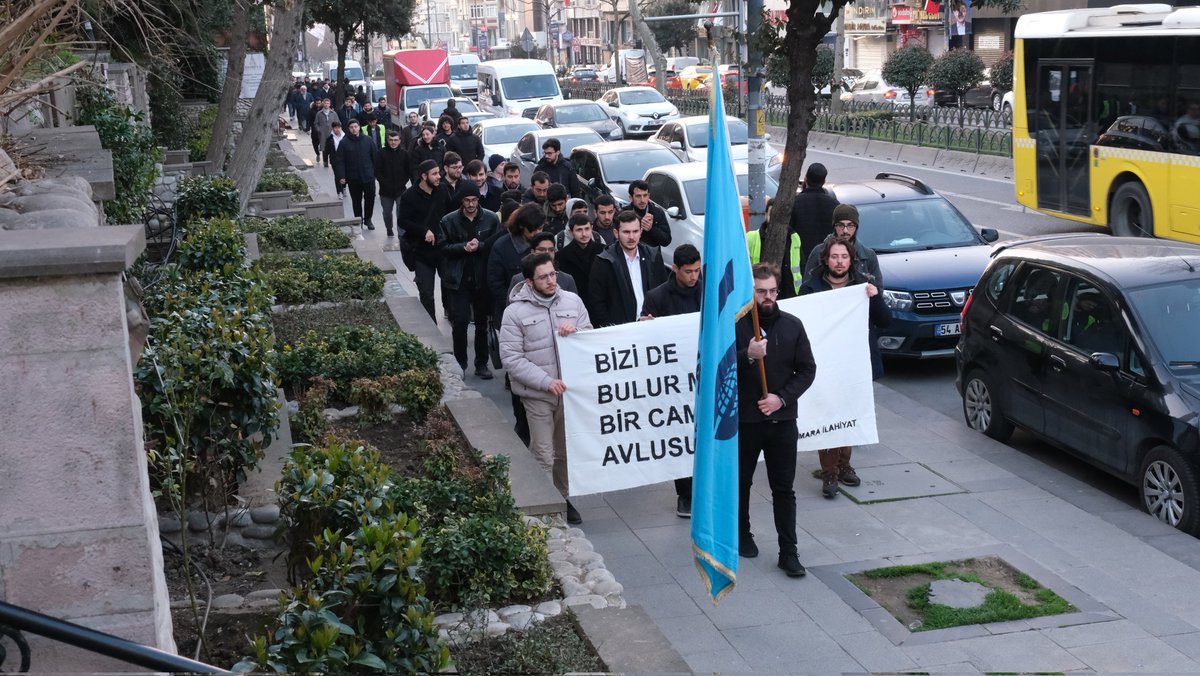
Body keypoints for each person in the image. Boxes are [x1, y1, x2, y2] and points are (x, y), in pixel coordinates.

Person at [499, 252, 592, 525]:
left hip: (569, 393)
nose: (551, 281)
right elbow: (512, 359)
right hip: (538, 394)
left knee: (563, 452)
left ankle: (562, 499)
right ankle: (542, 505)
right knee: (542, 452)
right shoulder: (514, 313)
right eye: (544, 277)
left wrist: (575, 329)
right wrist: (545, 382)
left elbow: (590, 334)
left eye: (553, 274)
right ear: (529, 282)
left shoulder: (573, 302)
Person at [737, 263, 817, 578]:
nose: (768, 297)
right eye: (761, 292)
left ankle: (789, 552)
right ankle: (742, 533)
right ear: (751, 293)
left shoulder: (793, 326)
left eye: (772, 291)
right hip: (746, 420)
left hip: (782, 421)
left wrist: (781, 398)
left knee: (784, 488)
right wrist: (748, 354)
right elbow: (719, 364)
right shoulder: (737, 324)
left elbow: (807, 369)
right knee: (742, 483)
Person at [799, 239, 890, 497]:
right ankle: (829, 473)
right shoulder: (811, 288)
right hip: (823, 362)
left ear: (851, 260)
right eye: (834, 256)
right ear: (826, 260)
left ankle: (844, 464)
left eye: (844, 257)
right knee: (828, 413)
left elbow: (885, 321)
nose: (839, 261)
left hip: (854, 363)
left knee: (848, 411)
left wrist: (875, 298)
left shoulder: (862, 287)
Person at [639, 243, 703, 518]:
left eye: (698, 271)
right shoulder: (657, 297)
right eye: (688, 271)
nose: (693, 277)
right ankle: (685, 494)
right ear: (674, 268)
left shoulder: (708, 291)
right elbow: (647, 338)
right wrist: (646, 326)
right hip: (673, 380)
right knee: (679, 435)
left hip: (703, 374)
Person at [488, 203, 547, 445]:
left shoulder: (540, 250)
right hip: (512, 315)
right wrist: (514, 308)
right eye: (535, 230)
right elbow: (494, 282)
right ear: (523, 228)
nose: (538, 233)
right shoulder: (502, 247)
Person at [438, 182, 501, 379]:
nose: (471, 204)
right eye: (467, 200)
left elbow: (495, 245)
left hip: (481, 280)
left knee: (482, 323)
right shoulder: (449, 221)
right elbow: (442, 247)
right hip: (459, 280)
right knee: (460, 323)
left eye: (474, 200)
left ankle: (481, 364)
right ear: (461, 201)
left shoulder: (490, 219)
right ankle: (460, 363)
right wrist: (462, 247)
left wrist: (480, 246)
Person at [588, 209, 667, 327]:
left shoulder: (653, 256)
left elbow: (664, 292)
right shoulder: (603, 262)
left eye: (635, 231)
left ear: (641, 231)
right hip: (620, 332)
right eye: (626, 232)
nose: (631, 237)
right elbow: (597, 303)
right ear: (616, 233)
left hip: (652, 326)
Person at [399, 159, 448, 320]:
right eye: (434, 174)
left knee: (450, 286)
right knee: (426, 294)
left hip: (442, 249)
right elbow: (402, 221)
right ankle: (432, 328)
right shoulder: (409, 195)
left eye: (438, 173)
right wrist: (423, 231)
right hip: (421, 252)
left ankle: (451, 314)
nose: (438, 177)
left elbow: (449, 212)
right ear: (423, 176)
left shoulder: (442, 190)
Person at [804, 204, 883, 289]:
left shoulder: (868, 256)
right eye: (841, 225)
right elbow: (807, 288)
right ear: (834, 226)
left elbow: (877, 291)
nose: (845, 230)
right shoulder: (818, 252)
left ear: (856, 227)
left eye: (850, 225)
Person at [747, 197, 803, 297]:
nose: (776, 218)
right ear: (765, 215)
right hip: (762, 295)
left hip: (790, 295)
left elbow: (801, 265)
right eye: (772, 214)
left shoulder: (794, 237)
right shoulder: (751, 238)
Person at [790, 163, 839, 266]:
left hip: (801, 261)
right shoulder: (834, 205)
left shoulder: (795, 203)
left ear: (806, 179)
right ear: (824, 181)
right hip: (828, 262)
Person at [334, 120, 379, 229]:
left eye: (356, 126)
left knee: (370, 198)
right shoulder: (344, 143)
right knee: (356, 200)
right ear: (348, 129)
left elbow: (375, 157)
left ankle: (368, 219)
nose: (354, 129)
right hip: (353, 177)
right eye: (351, 127)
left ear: (359, 127)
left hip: (368, 176)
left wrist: (376, 173)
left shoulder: (368, 140)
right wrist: (341, 176)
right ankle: (358, 219)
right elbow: (340, 161)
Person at [507, 232, 578, 295]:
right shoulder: (518, 280)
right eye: (542, 250)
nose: (547, 253)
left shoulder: (567, 279)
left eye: (551, 250)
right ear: (532, 252)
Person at [556, 213, 605, 305]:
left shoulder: (604, 251)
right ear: (571, 232)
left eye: (587, 229)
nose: (584, 234)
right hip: (574, 303)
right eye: (579, 230)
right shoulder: (561, 256)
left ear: (592, 228)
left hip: (601, 303)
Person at [375, 131, 410, 237]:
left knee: (401, 213)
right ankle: (389, 228)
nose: (393, 142)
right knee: (387, 213)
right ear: (387, 140)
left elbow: (407, 171)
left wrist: (402, 182)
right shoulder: (381, 153)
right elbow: (377, 171)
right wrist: (384, 183)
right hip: (385, 191)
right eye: (391, 140)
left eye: (395, 140)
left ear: (399, 141)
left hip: (400, 190)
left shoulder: (404, 154)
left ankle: (401, 233)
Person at [627, 179, 672, 248]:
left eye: (645, 195)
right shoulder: (623, 214)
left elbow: (666, 241)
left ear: (649, 196)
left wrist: (651, 229)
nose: (642, 200)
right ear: (631, 198)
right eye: (638, 196)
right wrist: (638, 226)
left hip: (653, 256)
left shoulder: (657, 212)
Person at [323, 121, 346, 198]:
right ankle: (339, 192)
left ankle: (344, 187)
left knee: (345, 175)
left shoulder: (345, 137)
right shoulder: (330, 139)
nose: (337, 129)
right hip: (335, 160)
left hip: (346, 160)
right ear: (333, 129)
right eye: (335, 128)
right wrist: (325, 160)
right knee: (338, 176)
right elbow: (326, 150)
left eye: (339, 127)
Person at [312, 98, 338, 167]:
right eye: (325, 103)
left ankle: (332, 161)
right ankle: (325, 161)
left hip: (332, 133)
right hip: (323, 134)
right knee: (324, 148)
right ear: (323, 104)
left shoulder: (333, 113)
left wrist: (336, 130)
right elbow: (316, 123)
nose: (326, 105)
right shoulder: (319, 113)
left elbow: (338, 123)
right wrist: (319, 130)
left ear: (330, 104)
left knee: (332, 147)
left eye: (328, 103)